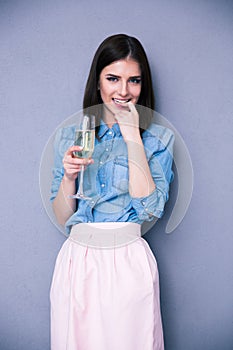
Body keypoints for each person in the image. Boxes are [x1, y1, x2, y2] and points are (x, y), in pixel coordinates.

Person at [50, 33, 174, 350]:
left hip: (128, 259)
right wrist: (68, 177)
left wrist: (132, 133)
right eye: (113, 78)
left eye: (134, 81)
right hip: (78, 259)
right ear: (98, 82)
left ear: (143, 86)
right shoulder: (70, 137)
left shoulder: (158, 138)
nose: (123, 91)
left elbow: (149, 208)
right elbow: (63, 217)